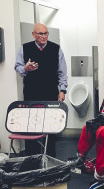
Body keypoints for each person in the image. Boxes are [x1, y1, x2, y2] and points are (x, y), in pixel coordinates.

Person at [14, 23, 68, 156]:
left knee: (50, 123)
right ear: (33, 34)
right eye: (40, 34)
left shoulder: (56, 49)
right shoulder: (25, 48)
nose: (44, 36)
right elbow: (18, 67)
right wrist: (25, 69)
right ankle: (32, 156)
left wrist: (62, 90)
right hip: (32, 92)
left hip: (50, 91)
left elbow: (62, 71)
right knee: (32, 124)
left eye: (46, 33)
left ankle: (50, 155)